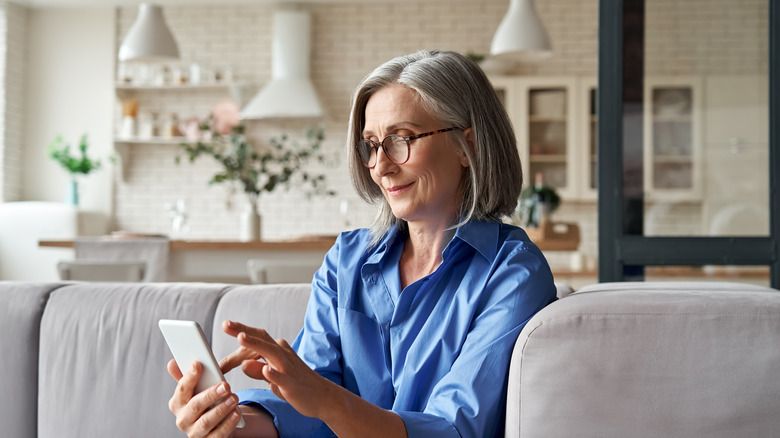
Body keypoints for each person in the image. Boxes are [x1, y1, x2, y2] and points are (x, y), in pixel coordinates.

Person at [167, 50, 556, 438]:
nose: (381, 165)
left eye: (401, 139)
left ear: (465, 145)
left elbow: (452, 429)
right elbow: (305, 408)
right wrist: (230, 424)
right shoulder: (347, 260)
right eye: (371, 145)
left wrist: (323, 398)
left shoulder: (513, 273)